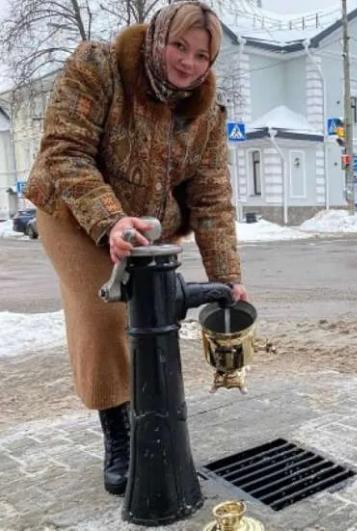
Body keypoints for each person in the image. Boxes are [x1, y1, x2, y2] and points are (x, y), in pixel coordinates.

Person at [25, 1, 246, 496]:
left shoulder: (207, 114)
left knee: (151, 318)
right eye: (179, 46)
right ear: (157, 36)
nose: (188, 62)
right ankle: (119, 435)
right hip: (72, 210)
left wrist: (228, 276)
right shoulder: (98, 66)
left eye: (201, 56)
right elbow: (64, 149)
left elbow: (211, 198)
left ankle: (152, 419)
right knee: (104, 313)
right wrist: (108, 220)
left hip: (146, 225)